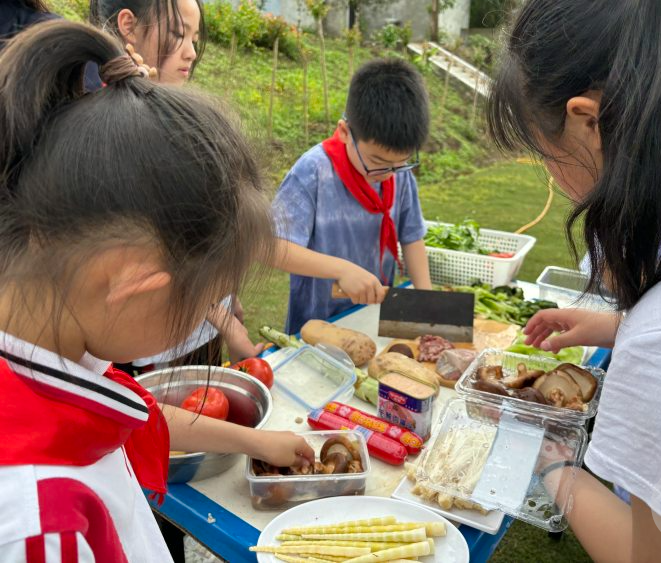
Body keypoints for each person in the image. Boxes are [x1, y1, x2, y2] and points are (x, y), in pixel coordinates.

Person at [0, 21, 313, 560]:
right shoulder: (40, 526)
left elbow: (139, 411)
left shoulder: (53, 360)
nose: (199, 317)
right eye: (198, 303)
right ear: (133, 283)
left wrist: (258, 442)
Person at [489, 0, 661, 561]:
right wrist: (616, 327)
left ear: (589, 122)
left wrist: (554, 465)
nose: (556, 178)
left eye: (544, 152)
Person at [91, 0, 266, 369]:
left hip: (196, 333)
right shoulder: (107, 137)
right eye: (178, 34)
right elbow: (159, 260)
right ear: (128, 25)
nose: (190, 52)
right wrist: (223, 321)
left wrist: (225, 301)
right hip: (147, 351)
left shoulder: (176, 119)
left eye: (195, 38)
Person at [273, 58, 432, 334]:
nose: (389, 173)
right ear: (345, 132)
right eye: (378, 161)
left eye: (400, 163)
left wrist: (427, 302)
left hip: (377, 318)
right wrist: (342, 270)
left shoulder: (398, 174)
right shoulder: (313, 173)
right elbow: (273, 247)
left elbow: (412, 236)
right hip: (319, 328)